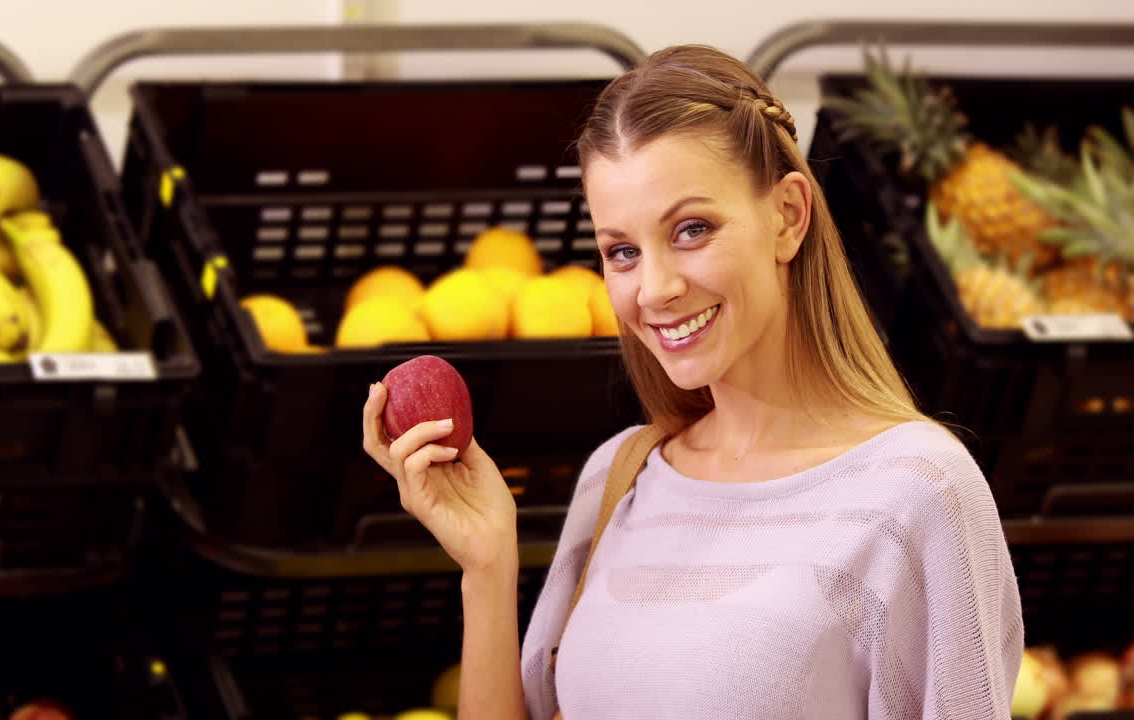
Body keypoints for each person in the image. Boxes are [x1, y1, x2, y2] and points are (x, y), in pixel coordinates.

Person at [362, 44, 1023, 719]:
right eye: (623, 251)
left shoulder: (918, 492)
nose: (655, 289)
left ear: (788, 217)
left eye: (691, 230)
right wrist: (487, 566)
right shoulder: (619, 477)